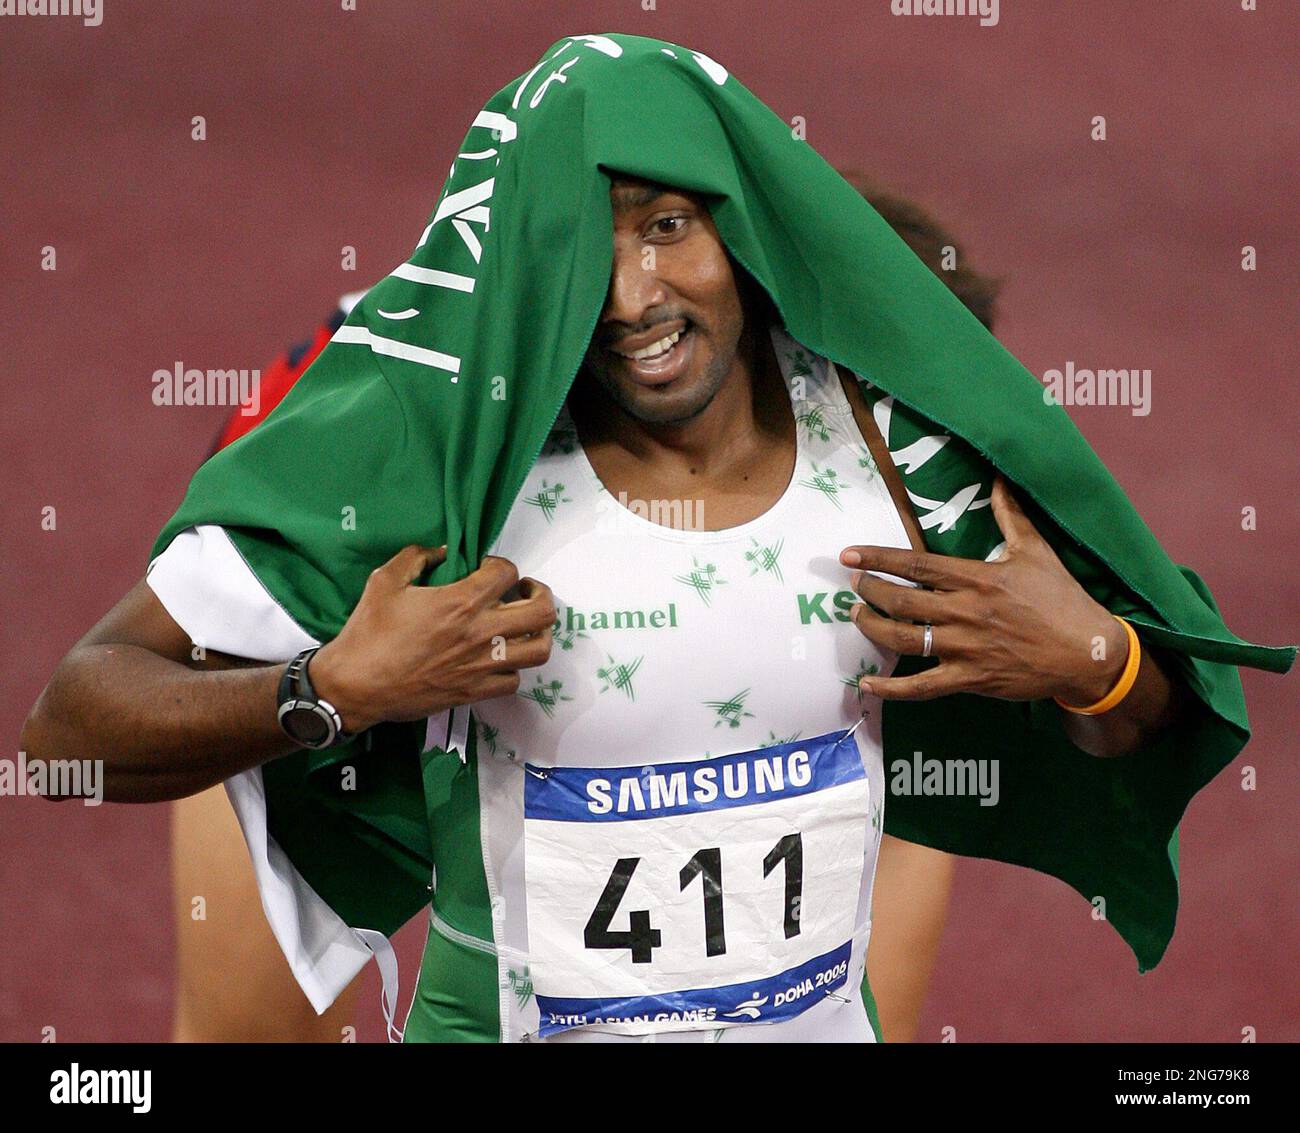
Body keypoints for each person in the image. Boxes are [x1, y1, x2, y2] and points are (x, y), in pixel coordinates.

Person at [22, 33, 1292, 1044]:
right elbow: (69, 727)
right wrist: (329, 690)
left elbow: (1147, 684)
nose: (635, 292)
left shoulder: (883, 436)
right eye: (599, 246)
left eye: (674, 229)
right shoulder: (415, 429)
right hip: (330, 575)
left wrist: (1099, 662)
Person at [169, 182, 998, 1044]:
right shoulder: (402, 395)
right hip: (326, 618)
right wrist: (325, 688)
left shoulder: (888, 506)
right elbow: (169, 673)